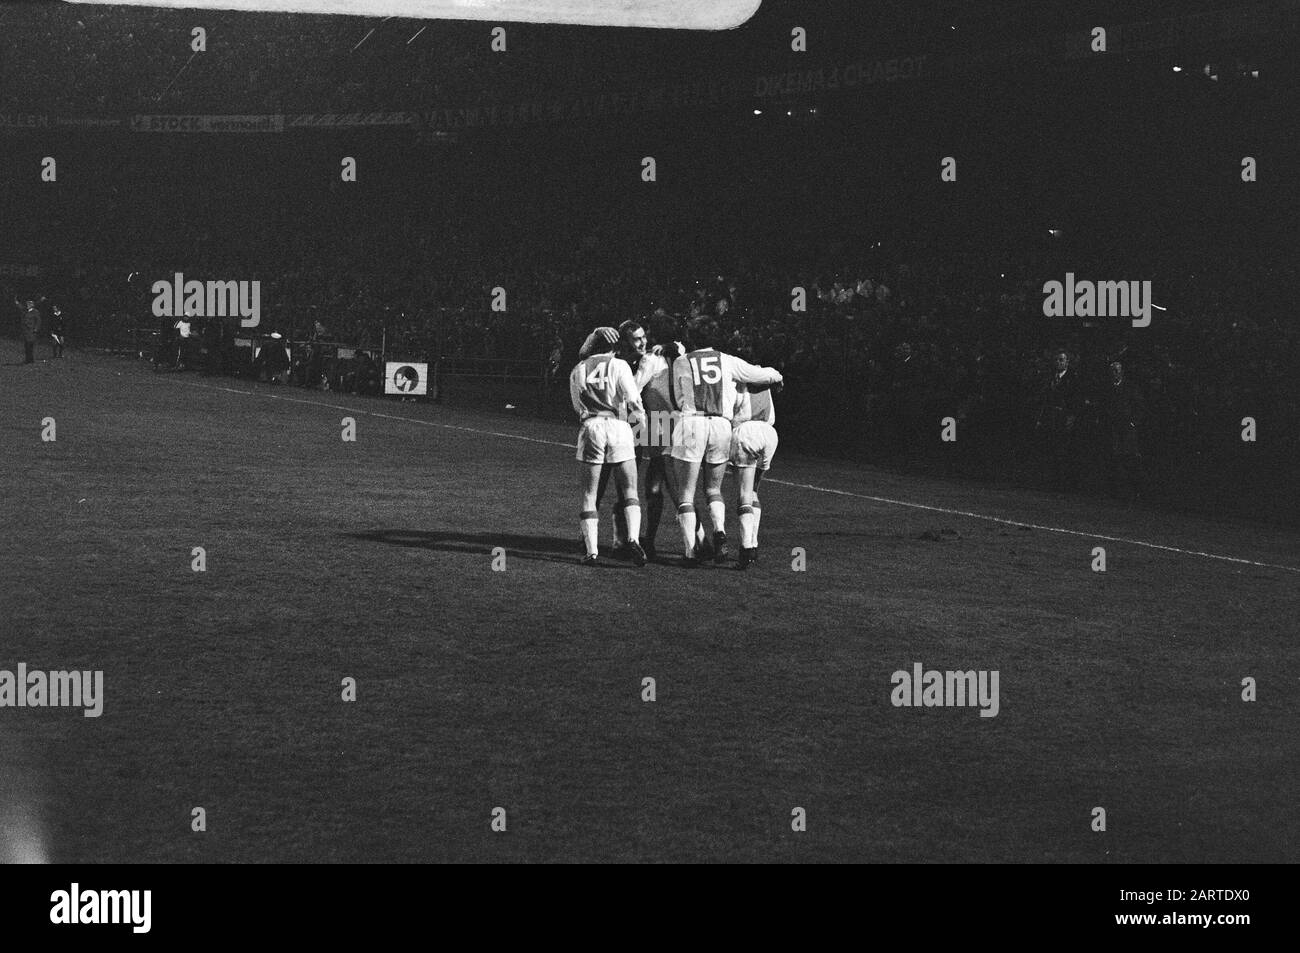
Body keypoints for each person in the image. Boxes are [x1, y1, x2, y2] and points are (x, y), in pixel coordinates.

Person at [669, 320, 783, 566]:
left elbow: (678, 398)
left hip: (692, 423)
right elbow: (759, 374)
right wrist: (776, 376)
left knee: (686, 495)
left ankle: (691, 552)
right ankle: (720, 530)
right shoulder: (728, 360)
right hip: (721, 425)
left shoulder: (681, 361)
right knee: (713, 489)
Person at [570, 331, 646, 566]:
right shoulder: (620, 365)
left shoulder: (578, 368)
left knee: (589, 495)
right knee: (630, 490)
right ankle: (633, 539)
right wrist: (641, 423)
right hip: (619, 427)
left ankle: (591, 551)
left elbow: (577, 406)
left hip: (592, 426)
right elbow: (633, 399)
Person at [730, 376, 781, 569]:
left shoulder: (739, 381)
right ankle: (753, 543)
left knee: (744, 494)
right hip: (769, 433)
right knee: (753, 492)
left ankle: (746, 549)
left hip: (747, 432)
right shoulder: (765, 380)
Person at [1035, 348, 1082, 490]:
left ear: (1067, 362)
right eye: (1057, 359)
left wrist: (1071, 417)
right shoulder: (1050, 378)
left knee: (1062, 450)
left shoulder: (1073, 379)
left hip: (1063, 417)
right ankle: (1049, 480)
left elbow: (1076, 401)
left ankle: (1062, 482)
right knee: (1048, 448)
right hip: (1050, 417)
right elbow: (1045, 398)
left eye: (1062, 359)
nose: (1058, 362)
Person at [1099, 361, 1144, 502]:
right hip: (1112, 428)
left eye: (1117, 370)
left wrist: (1132, 423)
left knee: (1129, 459)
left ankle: (1132, 492)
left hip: (1126, 429)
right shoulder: (1106, 388)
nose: (1115, 373)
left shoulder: (1130, 387)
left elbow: (1139, 406)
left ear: (1122, 372)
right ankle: (1113, 491)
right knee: (1112, 458)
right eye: (1113, 370)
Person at [14, 296, 42, 364]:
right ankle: (29, 359)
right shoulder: (26, 311)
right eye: (27, 304)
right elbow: (20, 307)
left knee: (30, 345)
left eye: (28, 304)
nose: (27, 305)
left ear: (32, 305)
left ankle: (30, 360)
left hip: (31, 331)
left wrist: (36, 329)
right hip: (26, 331)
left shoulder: (35, 312)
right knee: (27, 346)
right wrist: (17, 303)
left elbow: (38, 321)